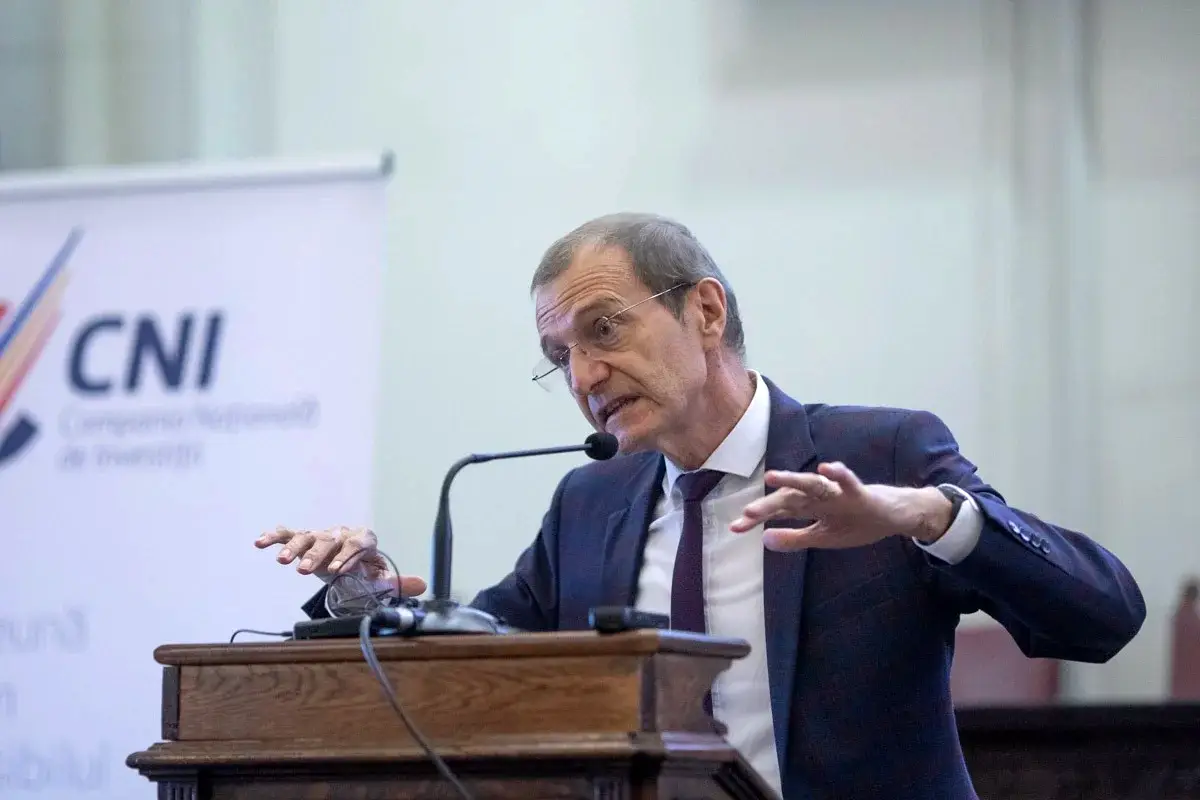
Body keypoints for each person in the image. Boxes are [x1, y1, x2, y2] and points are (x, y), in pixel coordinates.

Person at [256, 213, 1145, 799]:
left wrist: (929, 518)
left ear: (706, 312)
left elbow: (1103, 617)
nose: (585, 376)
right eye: (559, 357)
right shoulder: (590, 503)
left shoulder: (881, 457)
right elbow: (478, 655)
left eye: (604, 329)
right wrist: (370, 594)